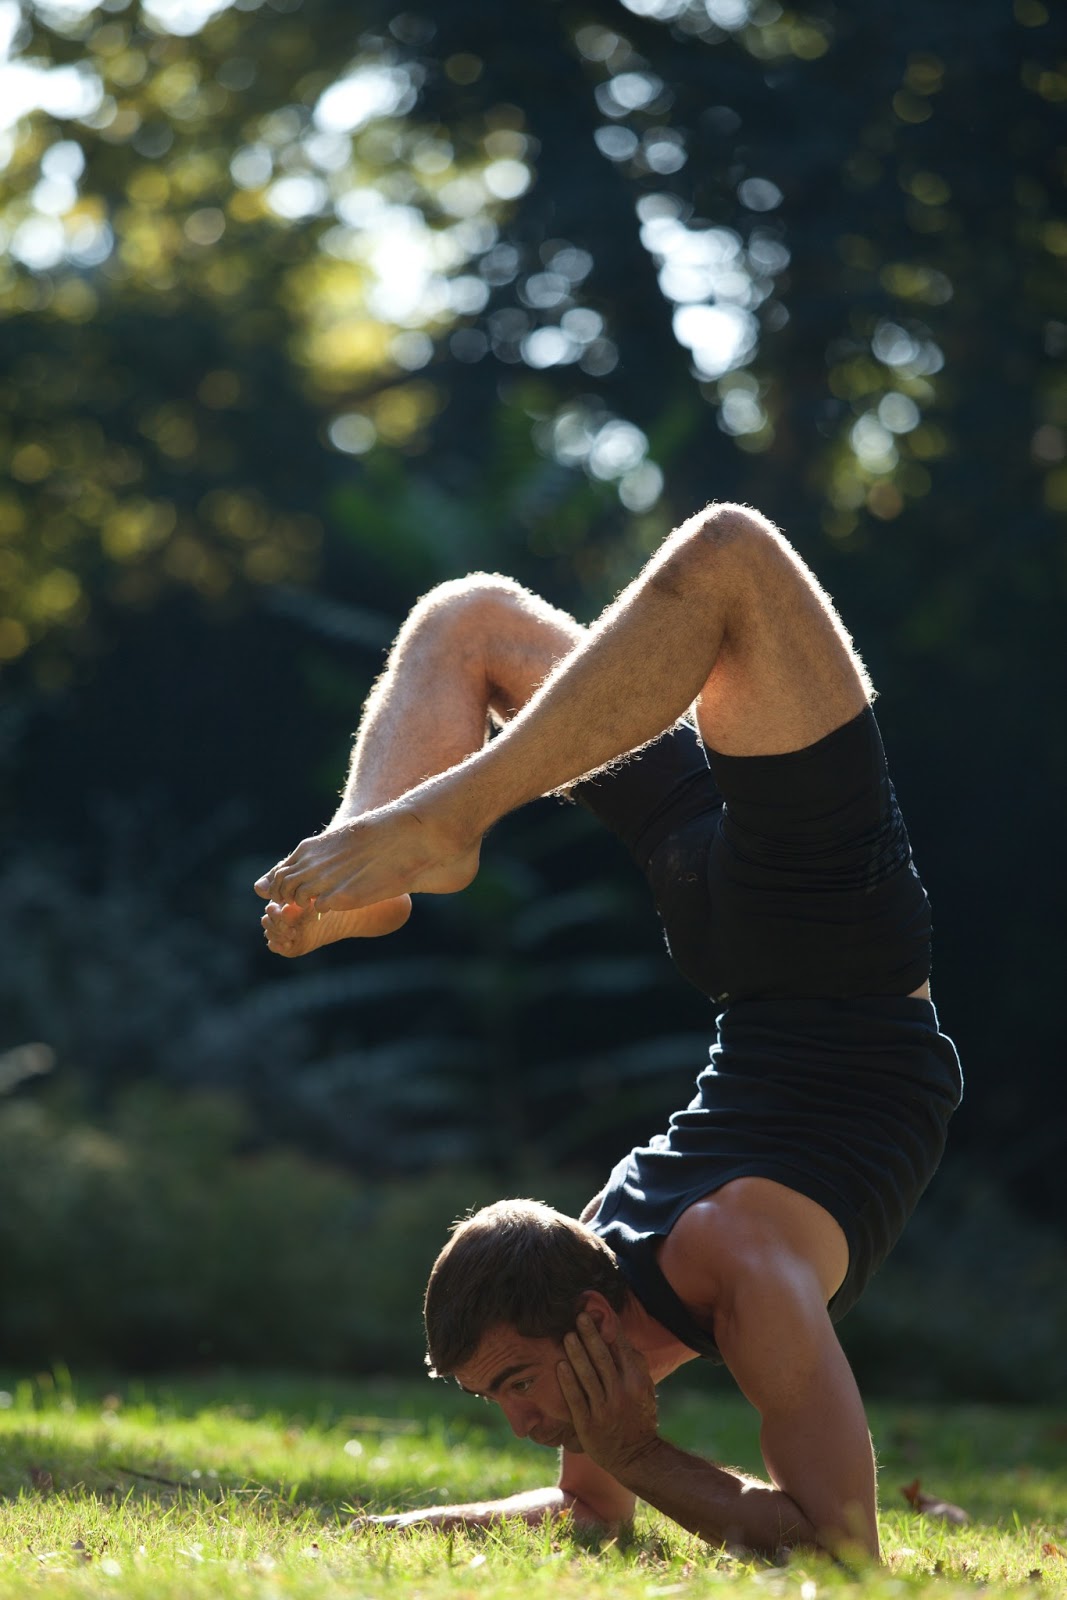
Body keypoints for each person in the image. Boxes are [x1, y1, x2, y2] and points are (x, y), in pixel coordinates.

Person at [254, 501, 962, 1560]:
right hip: (773, 946)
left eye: (513, 1384)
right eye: (500, 1395)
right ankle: (413, 834)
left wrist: (638, 1455)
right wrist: (386, 1528)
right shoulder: (622, 1273)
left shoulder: (728, 1259)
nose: (523, 1422)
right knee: (495, 615)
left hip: (820, 939)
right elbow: (593, 1512)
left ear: (583, 1314)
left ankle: (430, 824)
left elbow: (843, 1550)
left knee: (683, 566)